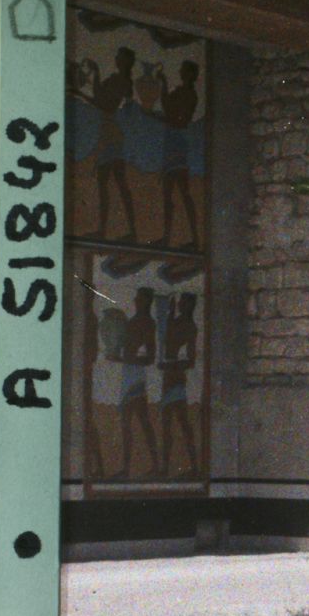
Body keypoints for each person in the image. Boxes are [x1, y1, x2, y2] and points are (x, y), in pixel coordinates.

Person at [89, 47, 139, 242]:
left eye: (120, 57)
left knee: (115, 182)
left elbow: (104, 104)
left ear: (126, 61)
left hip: (113, 136)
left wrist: (82, 93)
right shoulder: (118, 80)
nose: (117, 59)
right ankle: (109, 230)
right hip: (109, 133)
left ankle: (128, 231)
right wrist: (97, 74)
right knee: (110, 183)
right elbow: (99, 96)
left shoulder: (123, 81)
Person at [113, 287, 159, 479]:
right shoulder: (132, 322)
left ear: (146, 301)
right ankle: (128, 468)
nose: (135, 300)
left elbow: (150, 357)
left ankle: (150, 466)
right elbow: (125, 349)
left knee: (138, 421)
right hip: (128, 375)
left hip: (135, 376)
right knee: (131, 422)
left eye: (139, 298)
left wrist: (127, 359)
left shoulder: (147, 323)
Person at [157, 61, 202, 250]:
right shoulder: (182, 92)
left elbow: (175, 116)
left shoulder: (189, 94)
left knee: (182, 192)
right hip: (172, 141)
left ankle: (194, 238)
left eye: (184, 70)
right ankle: (167, 237)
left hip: (177, 143)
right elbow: (168, 107)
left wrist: (160, 117)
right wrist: (164, 84)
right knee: (169, 193)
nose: (181, 72)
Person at [157, 290, 201, 477]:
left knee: (181, 424)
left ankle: (192, 466)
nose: (180, 304)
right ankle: (166, 468)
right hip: (168, 380)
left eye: (183, 302)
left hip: (175, 380)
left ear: (189, 305)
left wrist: (169, 364)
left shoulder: (189, 326)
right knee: (169, 426)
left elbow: (190, 361)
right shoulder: (175, 322)